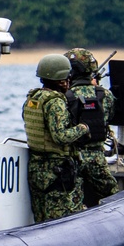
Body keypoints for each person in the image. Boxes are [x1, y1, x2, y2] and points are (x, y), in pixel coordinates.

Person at [22, 54, 88, 224]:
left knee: (41, 219)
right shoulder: (55, 102)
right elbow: (60, 136)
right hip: (56, 171)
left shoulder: (33, 98)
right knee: (60, 222)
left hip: (37, 168)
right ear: (61, 80)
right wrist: (83, 128)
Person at [65, 47, 118, 209]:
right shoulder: (105, 95)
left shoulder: (64, 96)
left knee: (73, 201)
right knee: (114, 196)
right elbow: (107, 117)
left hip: (73, 158)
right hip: (97, 158)